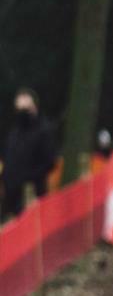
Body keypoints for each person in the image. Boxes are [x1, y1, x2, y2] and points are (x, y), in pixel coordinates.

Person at [0, 88, 57, 223]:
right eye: (19, 109)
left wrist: (27, 177)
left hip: (31, 195)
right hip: (10, 196)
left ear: (34, 107)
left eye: (26, 109)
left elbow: (49, 162)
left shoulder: (43, 131)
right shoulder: (14, 132)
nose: (22, 113)